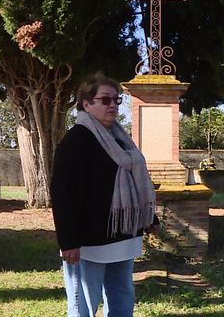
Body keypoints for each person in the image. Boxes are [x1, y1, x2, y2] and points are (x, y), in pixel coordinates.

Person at [50, 73, 159, 317]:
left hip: (123, 235)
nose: (112, 105)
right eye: (105, 100)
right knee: (84, 304)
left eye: (116, 100)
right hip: (89, 240)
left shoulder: (120, 139)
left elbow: (136, 183)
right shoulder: (76, 141)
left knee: (122, 295)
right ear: (87, 104)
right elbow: (63, 193)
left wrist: (149, 217)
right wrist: (68, 241)